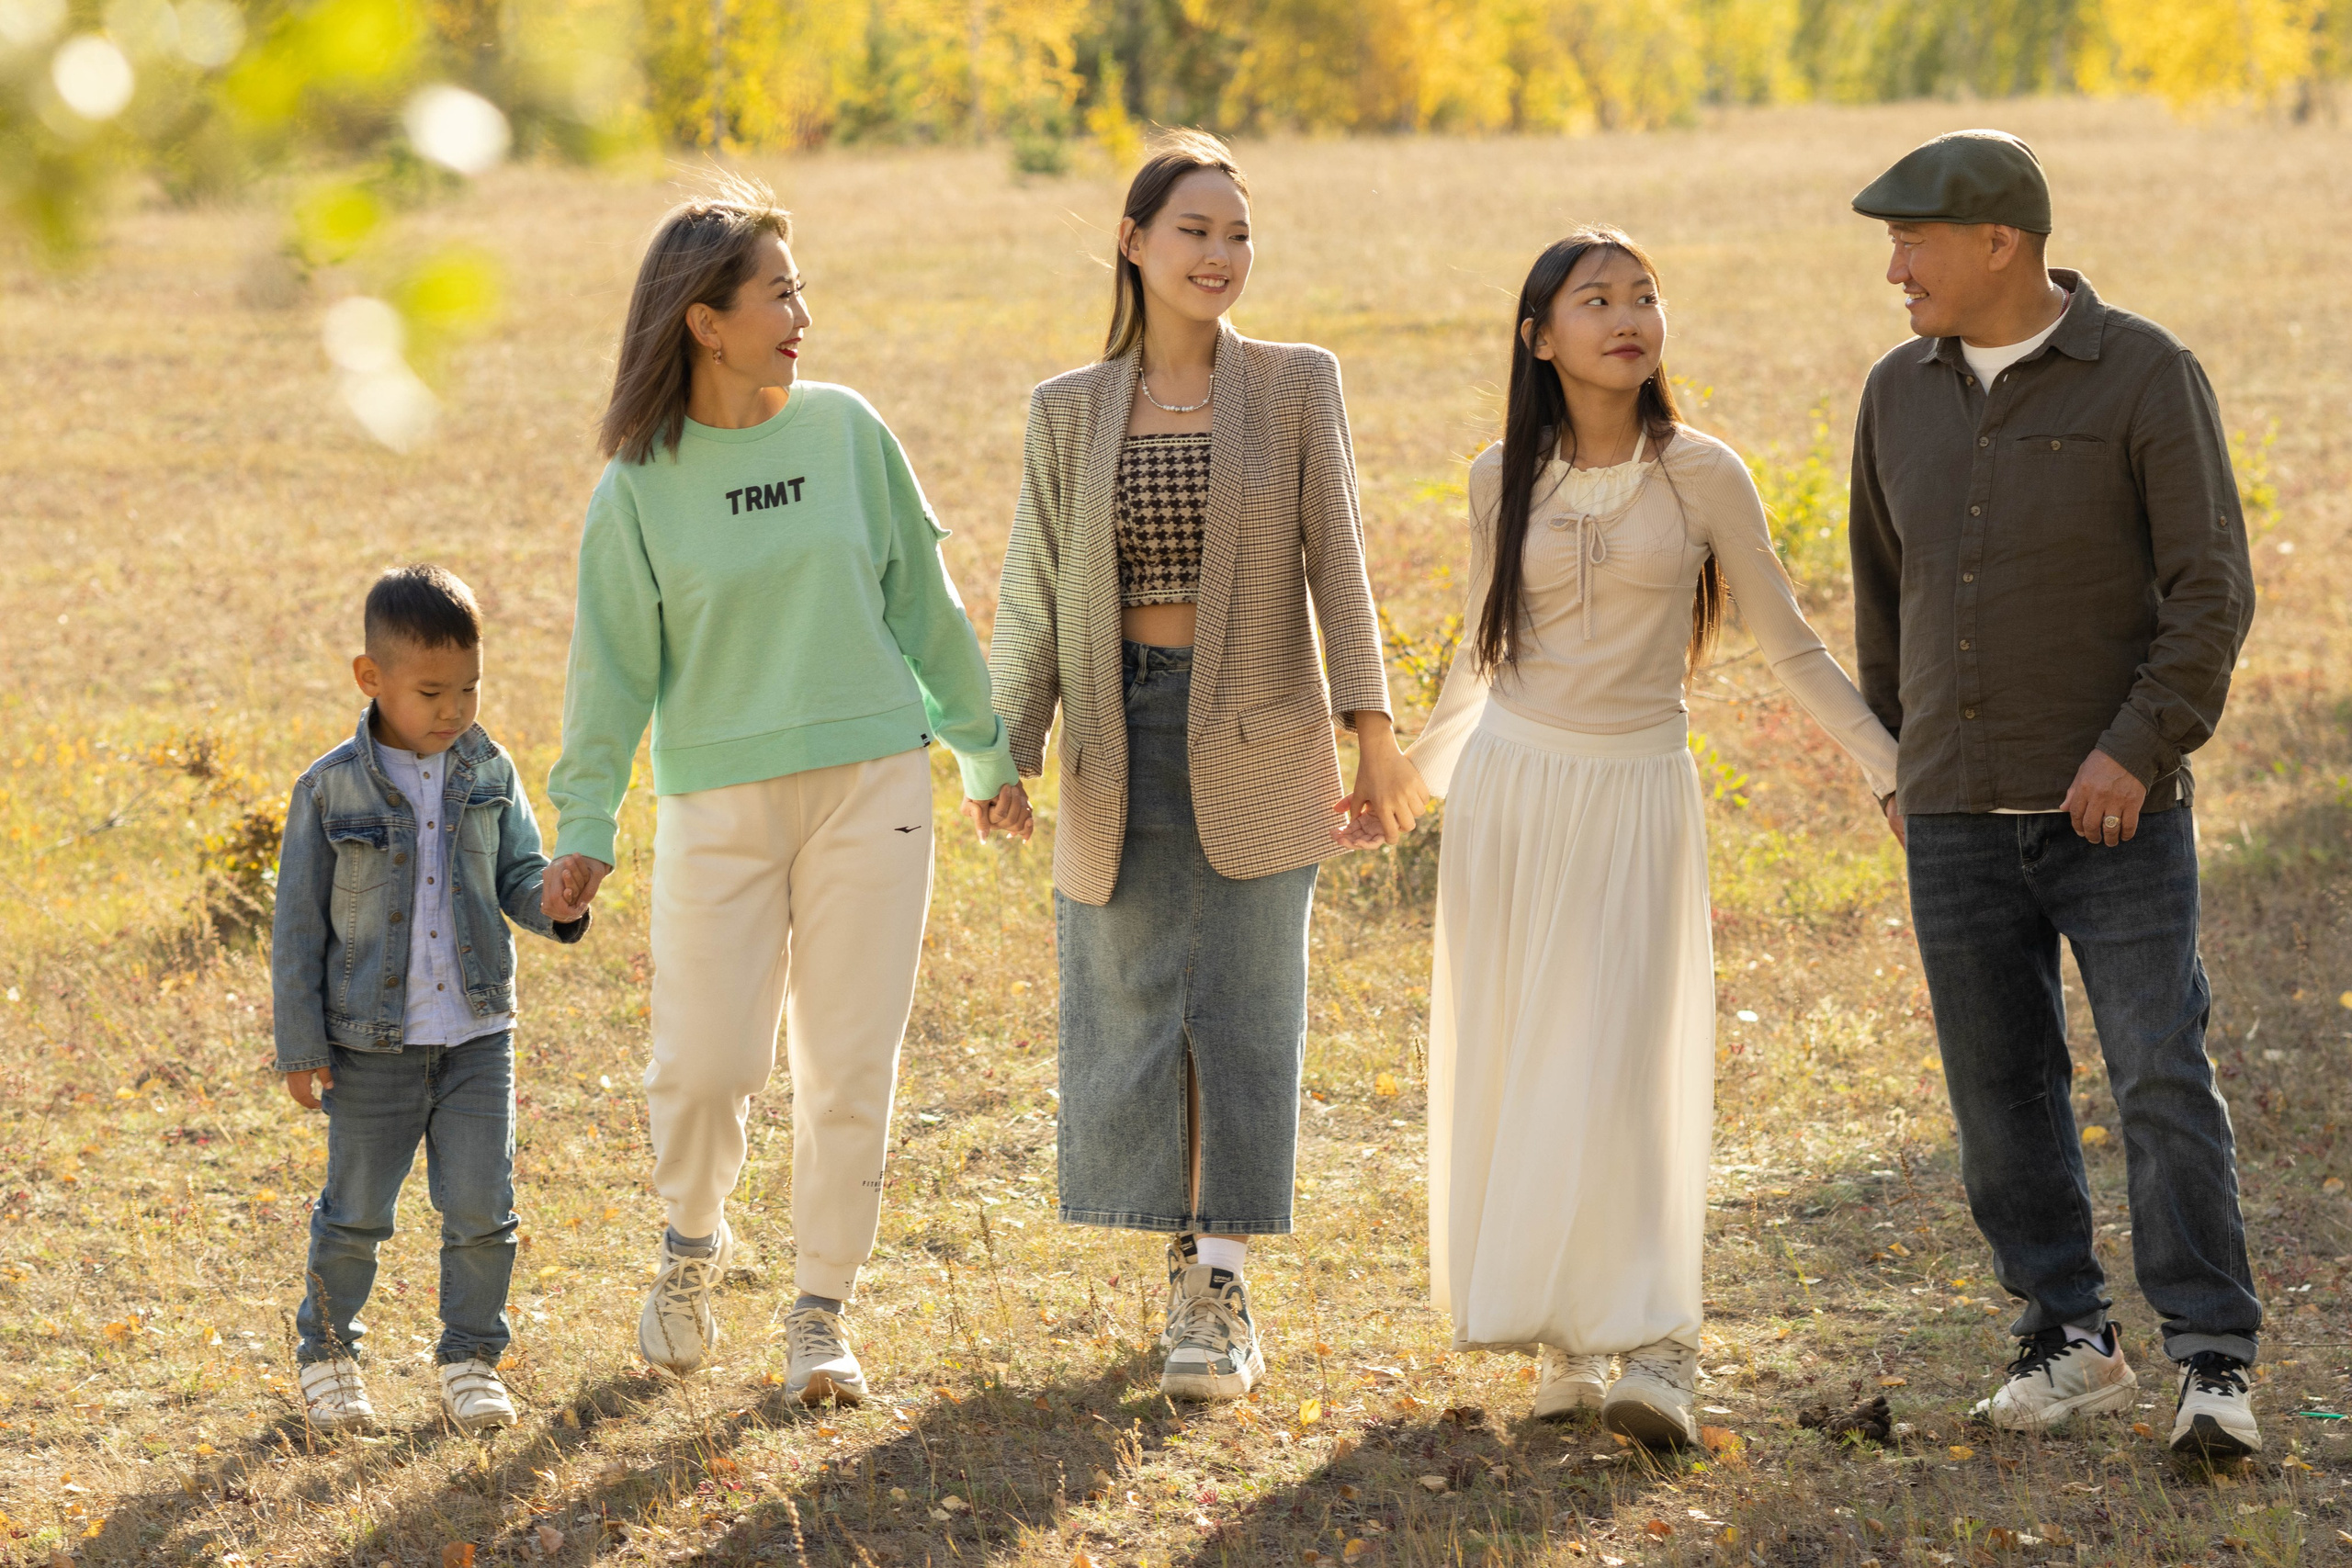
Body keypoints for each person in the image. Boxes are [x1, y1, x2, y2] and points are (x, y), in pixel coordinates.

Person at [540, 176, 1030, 1404]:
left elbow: (924, 606)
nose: (803, 316)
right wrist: (587, 823)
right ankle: (690, 1247)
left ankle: (821, 1309)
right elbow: (610, 671)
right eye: (780, 294)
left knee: (848, 1064)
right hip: (719, 803)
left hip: (874, 784)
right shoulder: (639, 484)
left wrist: (985, 753)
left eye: (800, 291)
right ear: (706, 322)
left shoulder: (848, 433)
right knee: (706, 1063)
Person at [1407, 231, 1898, 1448]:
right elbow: (1479, 652)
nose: (1627, 316)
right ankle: (1570, 1340)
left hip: (1634, 792)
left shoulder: (1702, 473)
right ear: (1540, 337)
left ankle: (1663, 1342)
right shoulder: (1498, 476)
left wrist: (1888, 764)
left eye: (1643, 296)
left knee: (1627, 1057)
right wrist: (1407, 782)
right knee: (1531, 1053)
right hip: (1513, 792)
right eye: (1596, 300)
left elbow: (1789, 642)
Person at [989, 130, 1425, 1403]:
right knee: (1135, 1012)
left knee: (1243, 1012)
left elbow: (1340, 561)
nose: (1220, 253)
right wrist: (1005, 748)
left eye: (1238, 233)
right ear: (1133, 243)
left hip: (1261, 737)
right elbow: (1033, 588)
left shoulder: (1294, 385)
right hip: (1115, 737)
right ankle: (1178, 1259)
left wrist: (1373, 731)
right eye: (1194, 229)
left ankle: (1220, 1285)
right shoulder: (1067, 409)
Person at [1847, 130, 2262, 1456]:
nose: (1895, 271)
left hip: (2116, 813)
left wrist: (2135, 748)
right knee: (1997, 1092)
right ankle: (2067, 1334)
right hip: (1953, 813)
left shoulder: (2145, 372)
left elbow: (2211, 590)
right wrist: (1899, 762)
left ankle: (2212, 1358)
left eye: (1912, 243)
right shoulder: (1894, 393)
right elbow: (1883, 596)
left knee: (2159, 1074)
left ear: (1999, 242)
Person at [273, 564, 591, 1435]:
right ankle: (329, 1356)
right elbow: (297, 929)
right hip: (369, 1047)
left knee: (483, 1209)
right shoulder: (329, 788)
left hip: (478, 1036)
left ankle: (470, 1358)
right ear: (370, 677)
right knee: (354, 1214)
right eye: (432, 692)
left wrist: (556, 900)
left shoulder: (488, 769)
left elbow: (519, 875)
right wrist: (301, 1045)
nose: (455, 709)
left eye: (470, 687)